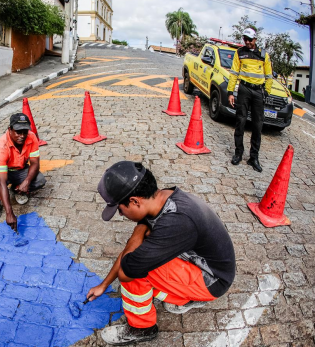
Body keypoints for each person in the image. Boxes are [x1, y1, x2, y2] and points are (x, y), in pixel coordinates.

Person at [87, 161, 235, 346]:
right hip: (202, 263)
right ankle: (183, 297)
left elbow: (126, 272)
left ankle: (142, 329)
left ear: (134, 201)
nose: (121, 215)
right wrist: (104, 284)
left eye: (120, 209)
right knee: (139, 249)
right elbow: (132, 250)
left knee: (136, 273)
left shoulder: (176, 222)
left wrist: (139, 229)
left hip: (212, 280)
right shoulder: (161, 198)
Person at [0, 113, 46, 230]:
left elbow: (35, 163)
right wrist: (9, 213)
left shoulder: (32, 137)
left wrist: (27, 182)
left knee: (40, 180)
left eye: (25, 131)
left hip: (20, 170)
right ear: (10, 129)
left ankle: (16, 189)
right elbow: (1, 182)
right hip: (4, 173)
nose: (22, 135)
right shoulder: (0, 147)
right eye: (18, 132)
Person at [227, 27, 273, 173]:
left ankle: (254, 157)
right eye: (245, 39)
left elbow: (269, 76)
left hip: (258, 92)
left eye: (249, 39)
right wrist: (230, 92)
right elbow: (234, 73)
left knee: (257, 125)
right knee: (240, 121)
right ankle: (238, 153)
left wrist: (266, 91)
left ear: (255, 39)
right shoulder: (239, 53)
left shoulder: (263, 55)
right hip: (244, 90)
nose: (247, 42)